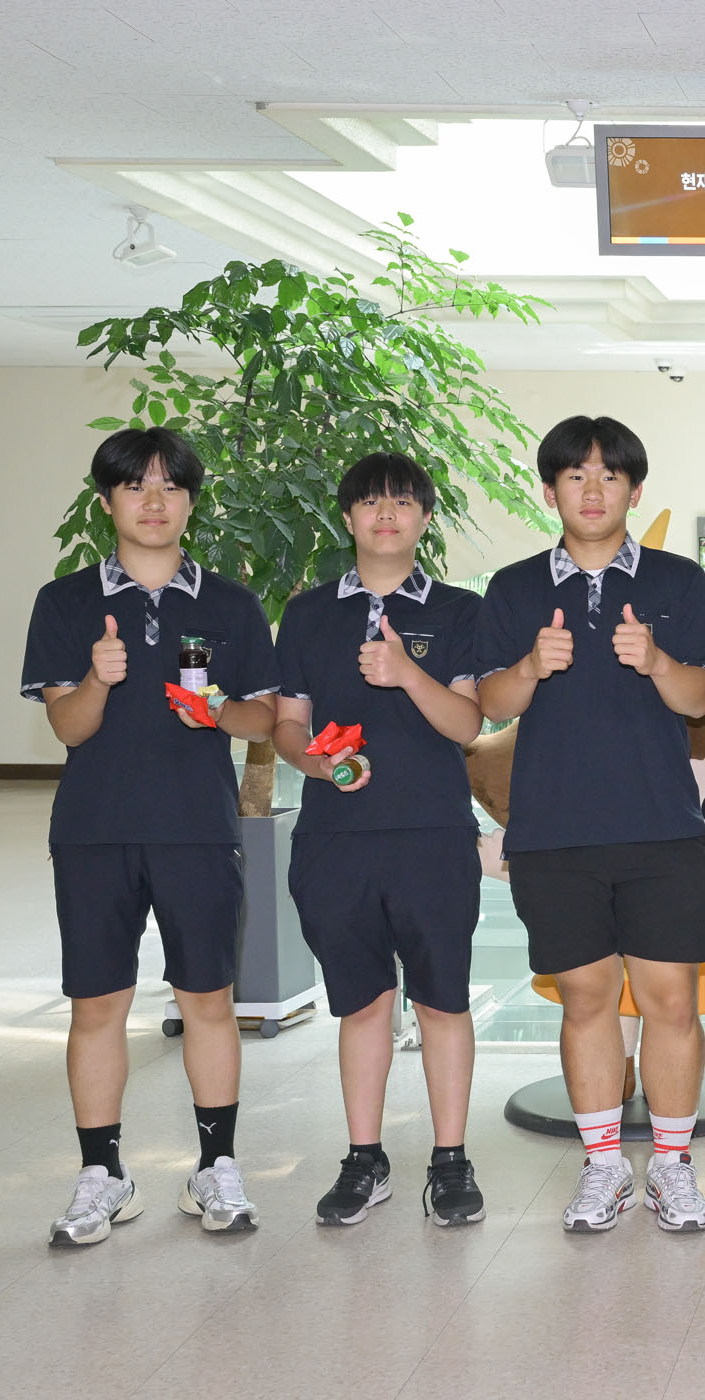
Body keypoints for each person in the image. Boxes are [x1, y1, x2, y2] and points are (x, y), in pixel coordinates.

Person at [21, 427, 278, 1245]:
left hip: (198, 830)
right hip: (94, 832)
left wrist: (218, 712)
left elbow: (264, 718)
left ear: (192, 501)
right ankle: (103, 1175)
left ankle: (216, 1168)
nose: (154, 501)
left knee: (208, 999)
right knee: (97, 1002)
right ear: (108, 502)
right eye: (136, 486)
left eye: (171, 486)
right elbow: (68, 727)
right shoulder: (64, 602)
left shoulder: (231, 604)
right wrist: (98, 678)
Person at [475, 416, 705, 1234]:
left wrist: (656, 661)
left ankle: (673, 1169)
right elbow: (489, 703)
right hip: (554, 833)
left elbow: (700, 700)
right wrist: (529, 667)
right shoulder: (513, 588)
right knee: (585, 1000)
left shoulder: (678, 582)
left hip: (661, 829)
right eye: (575, 475)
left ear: (634, 490)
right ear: (550, 491)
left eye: (609, 475)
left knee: (671, 1001)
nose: (592, 489)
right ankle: (605, 1167)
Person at [271, 452, 487, 1228]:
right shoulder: (307, 614)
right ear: (348, 517)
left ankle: (451, 1161)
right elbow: (287, 724)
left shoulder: (460, 611)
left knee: (441, 1002)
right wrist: (314, 763)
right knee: (362, 1004)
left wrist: (405, 673)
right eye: (369, 501)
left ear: (425, 517)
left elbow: (469, 724)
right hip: (336, 838)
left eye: (402, 501)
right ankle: (365, 1159)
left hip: (432, 835)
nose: (386, 513)